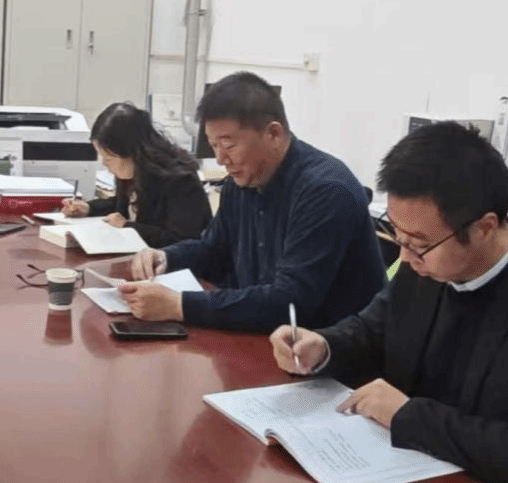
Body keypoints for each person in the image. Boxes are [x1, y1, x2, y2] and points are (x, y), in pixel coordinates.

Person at [270, 120, 508, 483]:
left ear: (485, 227)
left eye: (417, 244)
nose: (405, 257)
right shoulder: (428, 257)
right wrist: (324, 346)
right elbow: (374, 331)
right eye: (398, 236)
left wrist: (408, 417)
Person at [120, 71, 385, 332]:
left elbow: (290, 302)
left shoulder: (325, 191)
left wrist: (179, 305)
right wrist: (167, 257)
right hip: (263, 336)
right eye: (214, 146)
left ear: (273, 134)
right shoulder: (242, 181)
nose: (221, 159)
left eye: (228, 145)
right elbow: (215, 249)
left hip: (323, 347)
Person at [60, 102, 211, 247]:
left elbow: (182, 239)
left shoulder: (181, 181)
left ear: (133, 152)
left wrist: (128, 227)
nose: (104, 163)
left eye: (108, 158)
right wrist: (89, 208)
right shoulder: (133, 172)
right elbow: (127, 204)